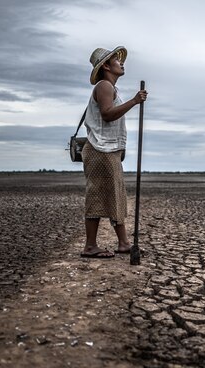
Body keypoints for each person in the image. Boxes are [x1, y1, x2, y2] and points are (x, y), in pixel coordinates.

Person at [80, 46, 147, 258]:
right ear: (107, 66)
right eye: (117, 61)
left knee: (114, 194)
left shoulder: (110, 88)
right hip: (100, 149)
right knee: (98, 195)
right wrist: (134, 101)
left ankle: (124, 243)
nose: (121, 63)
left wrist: (120, 149)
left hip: (108, 149)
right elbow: (108, 115)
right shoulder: (104, 86)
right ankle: (91, 246)